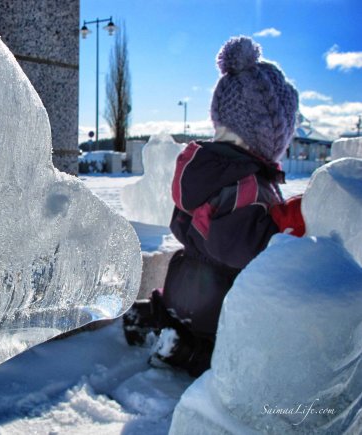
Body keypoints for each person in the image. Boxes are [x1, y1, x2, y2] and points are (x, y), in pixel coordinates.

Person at [123, 36, 305, 378]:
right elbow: (239, 251)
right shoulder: (249, 183)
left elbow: (183, 225)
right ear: (272, 132)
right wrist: (279, 228)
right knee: (232, 355)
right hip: (218, 299)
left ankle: (150, 316)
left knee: (176, 311)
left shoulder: (202, 169)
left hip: (182, 279)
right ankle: (182, 351)